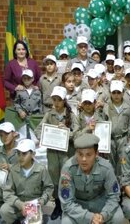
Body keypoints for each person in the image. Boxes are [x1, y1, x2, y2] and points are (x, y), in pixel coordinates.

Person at [34, 86, 80, 220]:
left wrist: (66, 132)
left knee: (67, 178)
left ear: (64, 100)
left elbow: (77, 133)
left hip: (67, 152)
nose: (56, 102)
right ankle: (58, 205)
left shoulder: (71, 115)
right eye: (54, 99)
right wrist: (46, 135)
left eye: (59, 99)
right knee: (54, 179)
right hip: (53, 153)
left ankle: (68, 204)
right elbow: (38, 130)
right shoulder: (49, 114)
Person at [59, 134, 126, 224]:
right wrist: (89, 217)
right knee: (66, 222)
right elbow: (66, 202)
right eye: (80, 154)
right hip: (78, 205)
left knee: (118, 218)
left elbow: (114, 195)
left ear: (96, 154)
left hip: (100, 203)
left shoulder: (106, 167)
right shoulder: (68, 169)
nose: (83, 159)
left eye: (88, 155)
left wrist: (103, 215)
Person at [0, 139, 53, 224]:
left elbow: (49, 188)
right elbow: (7, 192)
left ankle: (35, 218)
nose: (20, 157)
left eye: (24, 154)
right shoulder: (13, 170)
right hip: (19, 203)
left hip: (35, 204)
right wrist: (20, 204)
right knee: (4, 210)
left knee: (42, 215)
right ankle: (17, 221)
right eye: (18, 153)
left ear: (33, 154)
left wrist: (41, 201)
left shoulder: (41, 169)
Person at [102, 80, 130, 178]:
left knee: (122, 161)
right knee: (110, 163)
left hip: (122, 139)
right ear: (110, 93)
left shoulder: (128, 108)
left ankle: (121, 184)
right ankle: (111, 183)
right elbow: (102, 123)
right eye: (114, 92)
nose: (116, 95)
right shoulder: (106, 107)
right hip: (110, 140)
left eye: (118, 92)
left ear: (123, 93)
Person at [0, 122, 19, 219]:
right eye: (1, 135)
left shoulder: (22, 149)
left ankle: (15, 210)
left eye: (7, 134)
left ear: (14, 134)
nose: (4, 137)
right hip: (3, 185)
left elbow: (28, 169)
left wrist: (10, 167)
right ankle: (0, 207)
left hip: (19, 186)